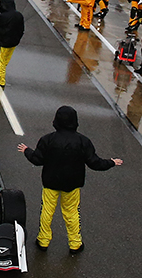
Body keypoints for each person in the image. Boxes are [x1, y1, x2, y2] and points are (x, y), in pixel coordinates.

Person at [17, 106, 123, 253]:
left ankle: (43, 240)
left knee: (47, 211)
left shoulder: (47, 139)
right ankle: (75, 243)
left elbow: (37, 159)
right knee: (71, 212)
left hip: (50, 182)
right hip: (72, 184)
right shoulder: (83, 141)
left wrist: (27, 151)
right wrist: (111, 162)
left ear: (56, 121)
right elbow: (94, 162)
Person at [0, 0, 25, 87]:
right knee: (5, 60)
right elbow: (22, 29)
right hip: (14, 42)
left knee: (0, 60)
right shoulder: (19, 15)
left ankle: (1, 80)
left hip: (3, 42)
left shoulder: (3, 17)